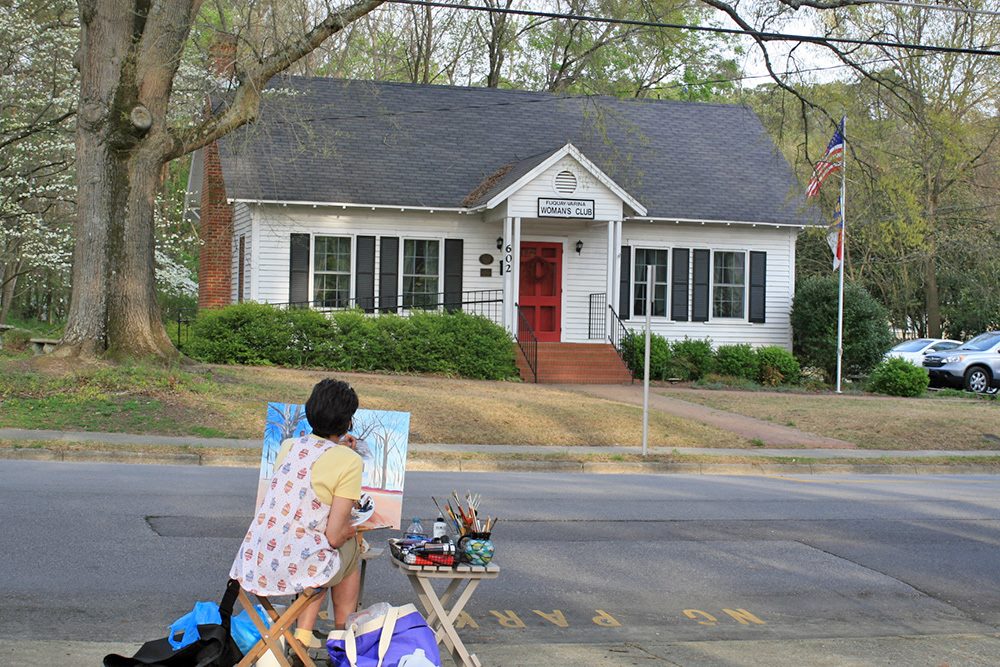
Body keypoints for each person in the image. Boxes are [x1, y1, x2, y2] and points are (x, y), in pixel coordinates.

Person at [230, 378, 364, 651]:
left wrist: (339, 450)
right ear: (347, 422)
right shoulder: (350, 461)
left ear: (310, 411)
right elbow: (335, 536)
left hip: (256, 561)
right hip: (299, 567)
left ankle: (304, 634)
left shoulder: (289, 446)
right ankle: (342, 641)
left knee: (321, 552)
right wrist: (353, 530)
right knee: (350, 550)